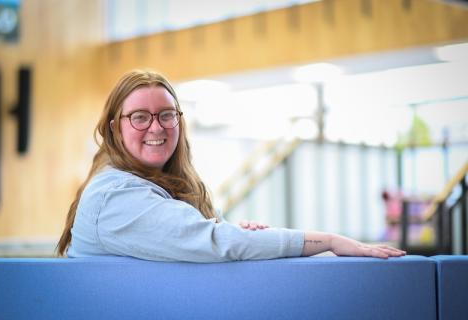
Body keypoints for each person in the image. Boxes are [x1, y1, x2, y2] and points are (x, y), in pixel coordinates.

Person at [57, 69, 406, 262]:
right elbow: (213, 242)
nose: (157, 127)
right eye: (139, 117)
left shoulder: (164, 185)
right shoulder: (114, 196)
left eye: (166, 115)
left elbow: (203, 238)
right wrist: (328, 240)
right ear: (115, 127)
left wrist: (235, 230)